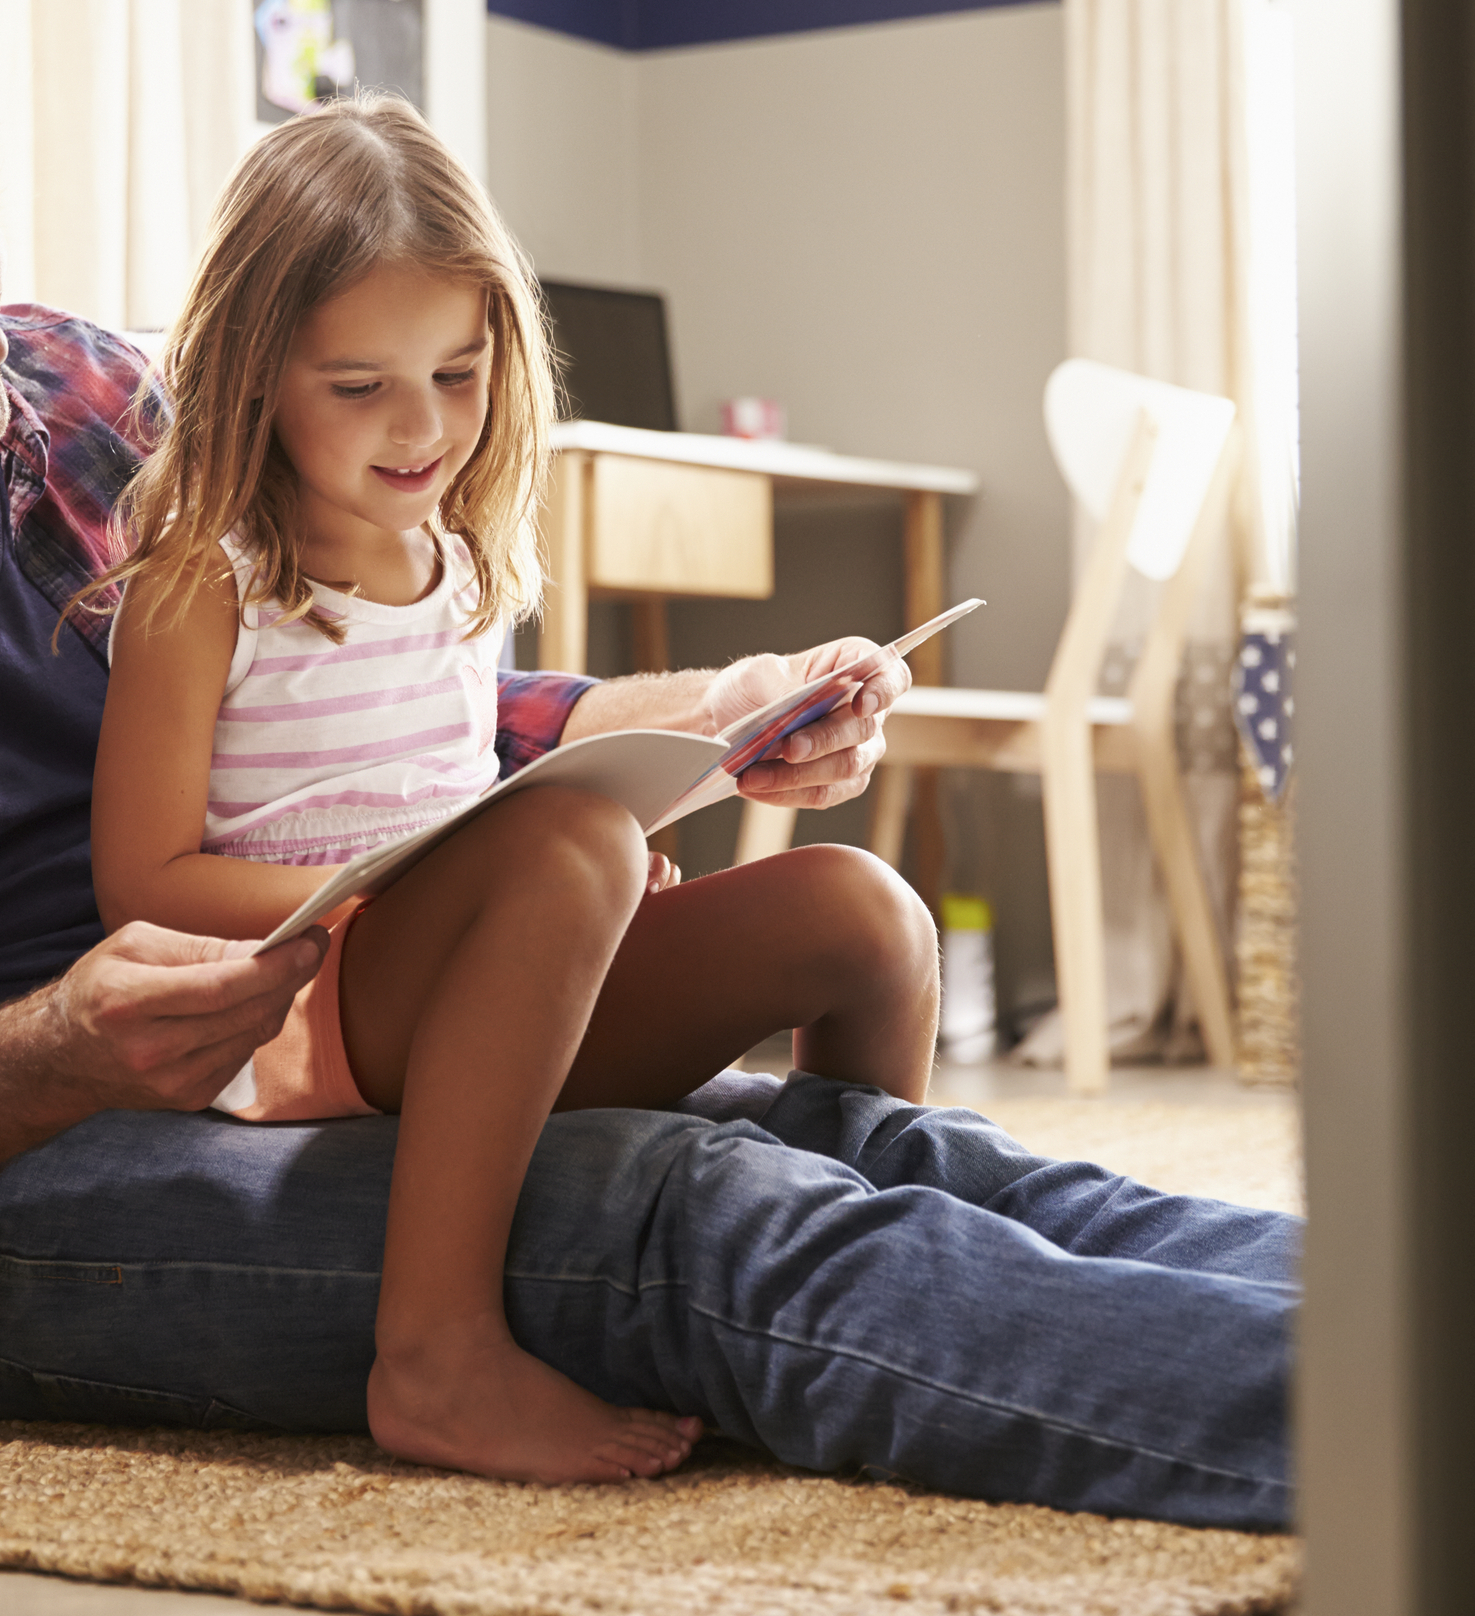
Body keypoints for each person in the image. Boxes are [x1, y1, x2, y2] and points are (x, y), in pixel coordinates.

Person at [0, 0, 1300, 1529]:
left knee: (871, 1147)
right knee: (697, 1206)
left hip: (330, 1013)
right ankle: (1428, 1443)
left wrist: (692, 720)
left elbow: (372, 711)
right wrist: (34, 1056)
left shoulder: (85, 401)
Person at [89, 95, 938, 1485]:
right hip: (307, 1008)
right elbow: (142, 884)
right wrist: (469, 886)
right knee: (566, 846)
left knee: (866, 912)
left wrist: (699, 765)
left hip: (475, 984)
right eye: (360, 386)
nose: (422, 427)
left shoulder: (466, 565)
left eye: (462, 373)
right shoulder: (205, 580)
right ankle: (431, 1352)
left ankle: (870, 1276)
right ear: (253, 377)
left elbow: (468, 782)